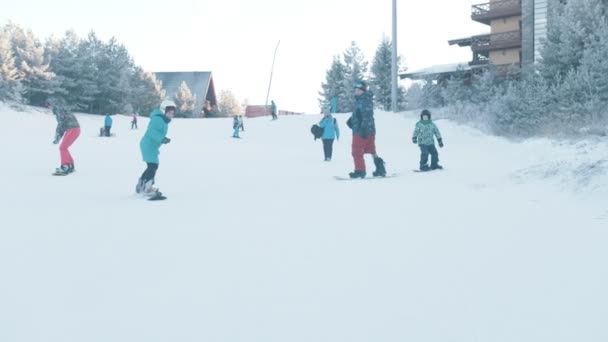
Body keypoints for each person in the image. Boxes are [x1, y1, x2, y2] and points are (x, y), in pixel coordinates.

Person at [347, 80, 386, 178]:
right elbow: (361, 115)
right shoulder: (364, 100)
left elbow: (366, 115)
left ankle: (360, 171)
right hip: (369, 130)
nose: (356, 91)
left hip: (361, 131)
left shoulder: (363, 101)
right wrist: (352, 120)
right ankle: (380, 169)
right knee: (371, 149)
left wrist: (363, 128)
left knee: (356, 151)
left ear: (363, 91)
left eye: (359, 90)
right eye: (355, 90)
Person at [136, 100, 175, 196]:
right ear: (163, 111)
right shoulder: (158, 119)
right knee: (153, 166)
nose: (171, 115)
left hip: (151, 145)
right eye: (169, 112)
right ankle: (148, 188)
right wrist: (162, 139)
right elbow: (152, 132)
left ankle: (141, 185)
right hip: (149, 145)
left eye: (172, 113)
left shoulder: (162, 120)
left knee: (152, 166)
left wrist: (162, 139)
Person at [50, 103, 80, 175]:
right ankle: (70, 165)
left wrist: (57, 137)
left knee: (62, 148)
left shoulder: (59, 111)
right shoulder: (63, 110)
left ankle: (65, 166)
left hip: (73, 129)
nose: (49, 108)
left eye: (49, 105)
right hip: (74, 129)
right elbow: (63, 124)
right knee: (64, 148)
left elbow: (60, 125)